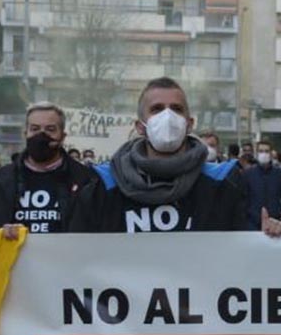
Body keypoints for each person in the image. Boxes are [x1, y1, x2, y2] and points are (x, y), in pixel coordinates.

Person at [67, 78, 247, 232]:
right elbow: (80, 253)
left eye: (176, 109)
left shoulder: (223, 184)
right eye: (157, 109)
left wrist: (270, 236)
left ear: (189, 124)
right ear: (140, 126)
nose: (167, 116)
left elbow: (245, 251)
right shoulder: (103, 186)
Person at [0, 102, 93, 234]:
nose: (41, 135)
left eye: (50, 129)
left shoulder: (85, 180)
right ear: (25, 134)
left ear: (62, 137)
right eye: (35, 129)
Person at [243, 140, 281, 230]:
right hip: (253, 223)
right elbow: (244, 199)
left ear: (271, 153)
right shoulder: (248, 174)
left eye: (266, 151)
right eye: (261, 151)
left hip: (276, 223)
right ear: (256, 153)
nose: (264, 154)